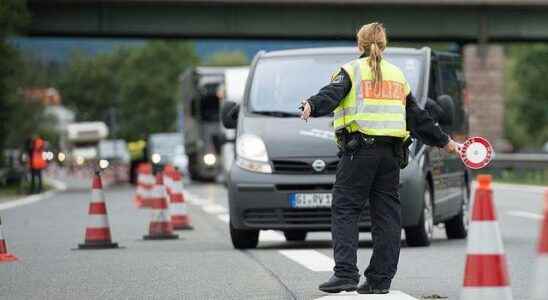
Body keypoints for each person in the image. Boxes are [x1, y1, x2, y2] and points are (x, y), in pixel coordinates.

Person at [300, 23, 460, 294]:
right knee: (386, 216)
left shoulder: (351, 70)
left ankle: (346, 274)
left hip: (360, 151)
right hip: (391, 155)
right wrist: (445, 141)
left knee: (345, 209)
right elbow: (417, 116)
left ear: (359, 44)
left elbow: (332, 94)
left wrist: (311, 105)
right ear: (383, 45)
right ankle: (379, 280)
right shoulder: (397, 76)